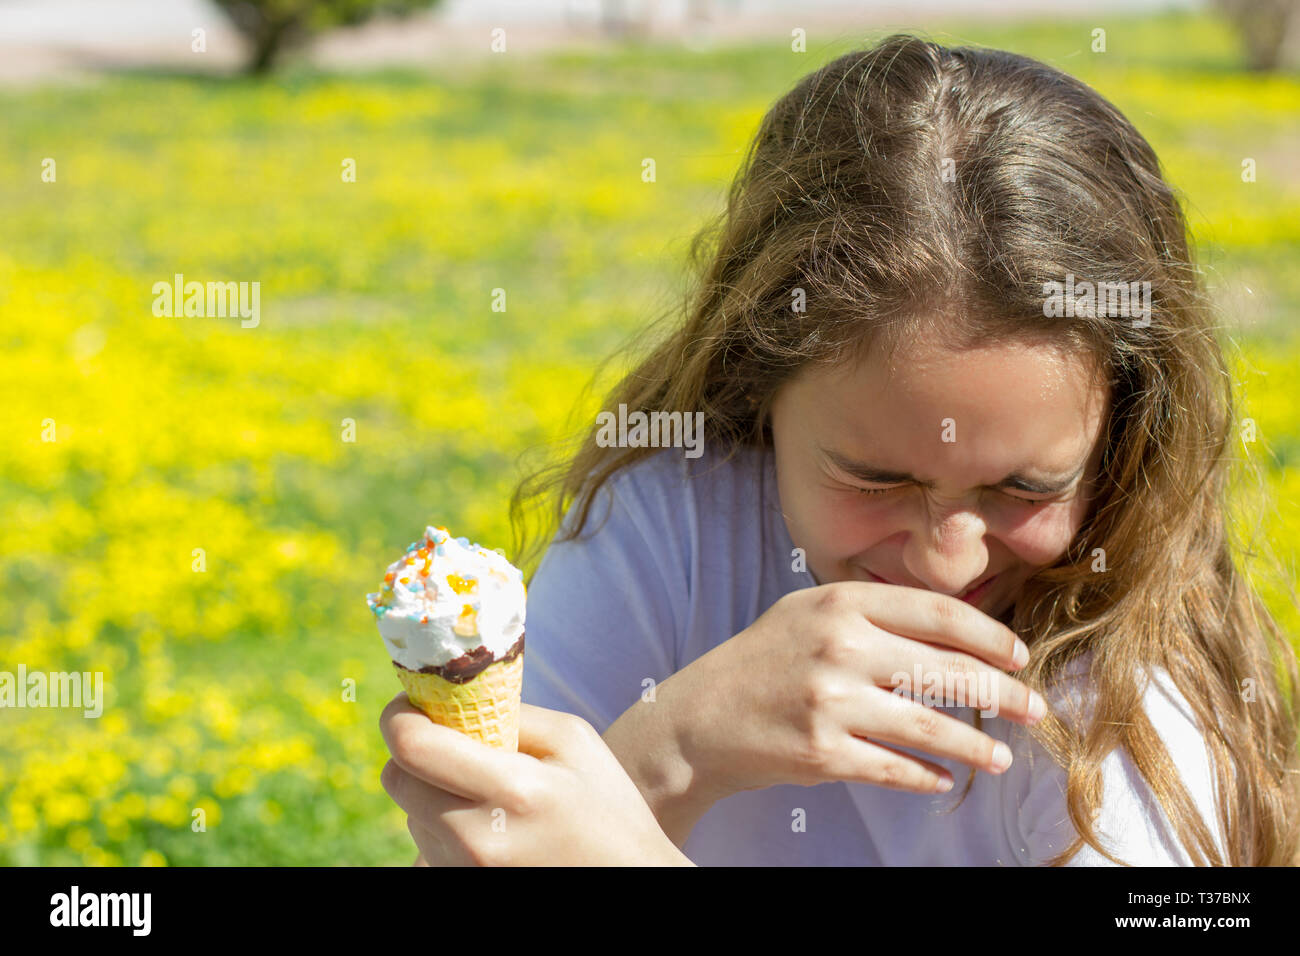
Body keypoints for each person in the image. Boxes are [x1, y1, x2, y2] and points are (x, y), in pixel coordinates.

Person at [380, 33, 1300, 866]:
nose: (946, 562)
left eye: (1025, 485)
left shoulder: (1132, 677)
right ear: (757, 389)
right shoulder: (668, 532)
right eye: (877, 476)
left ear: (1120, 442)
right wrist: (676, 748)